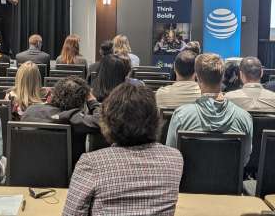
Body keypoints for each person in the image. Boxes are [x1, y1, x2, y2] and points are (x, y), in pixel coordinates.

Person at [63, 83, 183, 216]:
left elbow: (71, 213)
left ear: (108, 119)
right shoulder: (175, 158)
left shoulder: (91, 163)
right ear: (156, 118)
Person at [166, 53, 253, 166]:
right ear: (222, 77)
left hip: (190, 183)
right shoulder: (244, 117)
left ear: (197, 78)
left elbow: (171, 157)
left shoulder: (181, 116)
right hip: (229, 183)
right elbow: (244, 160)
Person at [22, 76, 100, 165]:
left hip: (27, 170)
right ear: (80, 101)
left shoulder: (30, 111)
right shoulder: (73, 117)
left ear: (56, 93)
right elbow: (102, 122)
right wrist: (93, 102)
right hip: (65, 175)